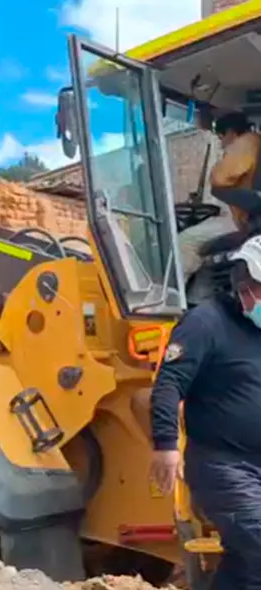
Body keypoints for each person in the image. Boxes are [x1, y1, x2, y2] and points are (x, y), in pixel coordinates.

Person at [150, 234, 261, 589]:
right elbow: (169, 382)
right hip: (223, 466)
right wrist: (166, 445)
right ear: (244, 284)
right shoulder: (206, 323)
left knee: (246, 565)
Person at [179, 112, 260, 277]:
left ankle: (174, 293)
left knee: (185, 241)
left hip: (244, 221)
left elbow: (218, 179)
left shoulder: (245, 143)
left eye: (221, 138)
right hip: (249, 216)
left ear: (231, 132)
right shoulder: (255, 142)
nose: (222, 144)